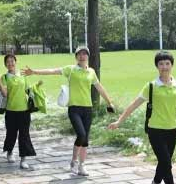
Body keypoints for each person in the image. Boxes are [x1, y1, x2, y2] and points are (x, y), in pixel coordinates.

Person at [108, 51, 176, 184]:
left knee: (164, 163)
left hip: (172, 130)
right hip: (155, 130)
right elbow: (133, 105)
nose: (164, 67)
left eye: (167, 63)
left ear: (172, 65)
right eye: (161, 64)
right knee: (166, 162)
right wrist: (119, 121)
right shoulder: (151, 86)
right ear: (157, 66)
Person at [22, 46, 115, 176]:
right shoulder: (70, 70)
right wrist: (34, 72)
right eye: (79, 54)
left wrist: (109, 102)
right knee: (81, 135)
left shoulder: (91, 72)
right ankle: (74, 161)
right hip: (74, 108)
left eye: (84, 54)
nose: (82, 56)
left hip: (87, 109)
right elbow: (53, 71)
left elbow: (99, 87)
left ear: (88, 56)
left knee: (85, 139)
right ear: (76, 57)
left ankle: (82, 166)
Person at [0, 54, 37, 170]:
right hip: (11, 111)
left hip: (24, 111)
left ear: (15, 62)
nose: (10, 63)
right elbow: (5, 94)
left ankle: (23, 160)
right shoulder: (4, 77)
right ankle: (9, 152)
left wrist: (36, 88)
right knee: (11, 134)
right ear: (5, 64)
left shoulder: (22, 76)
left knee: (24, 135)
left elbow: (29, 90)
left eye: (12, 61)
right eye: (8, 62)